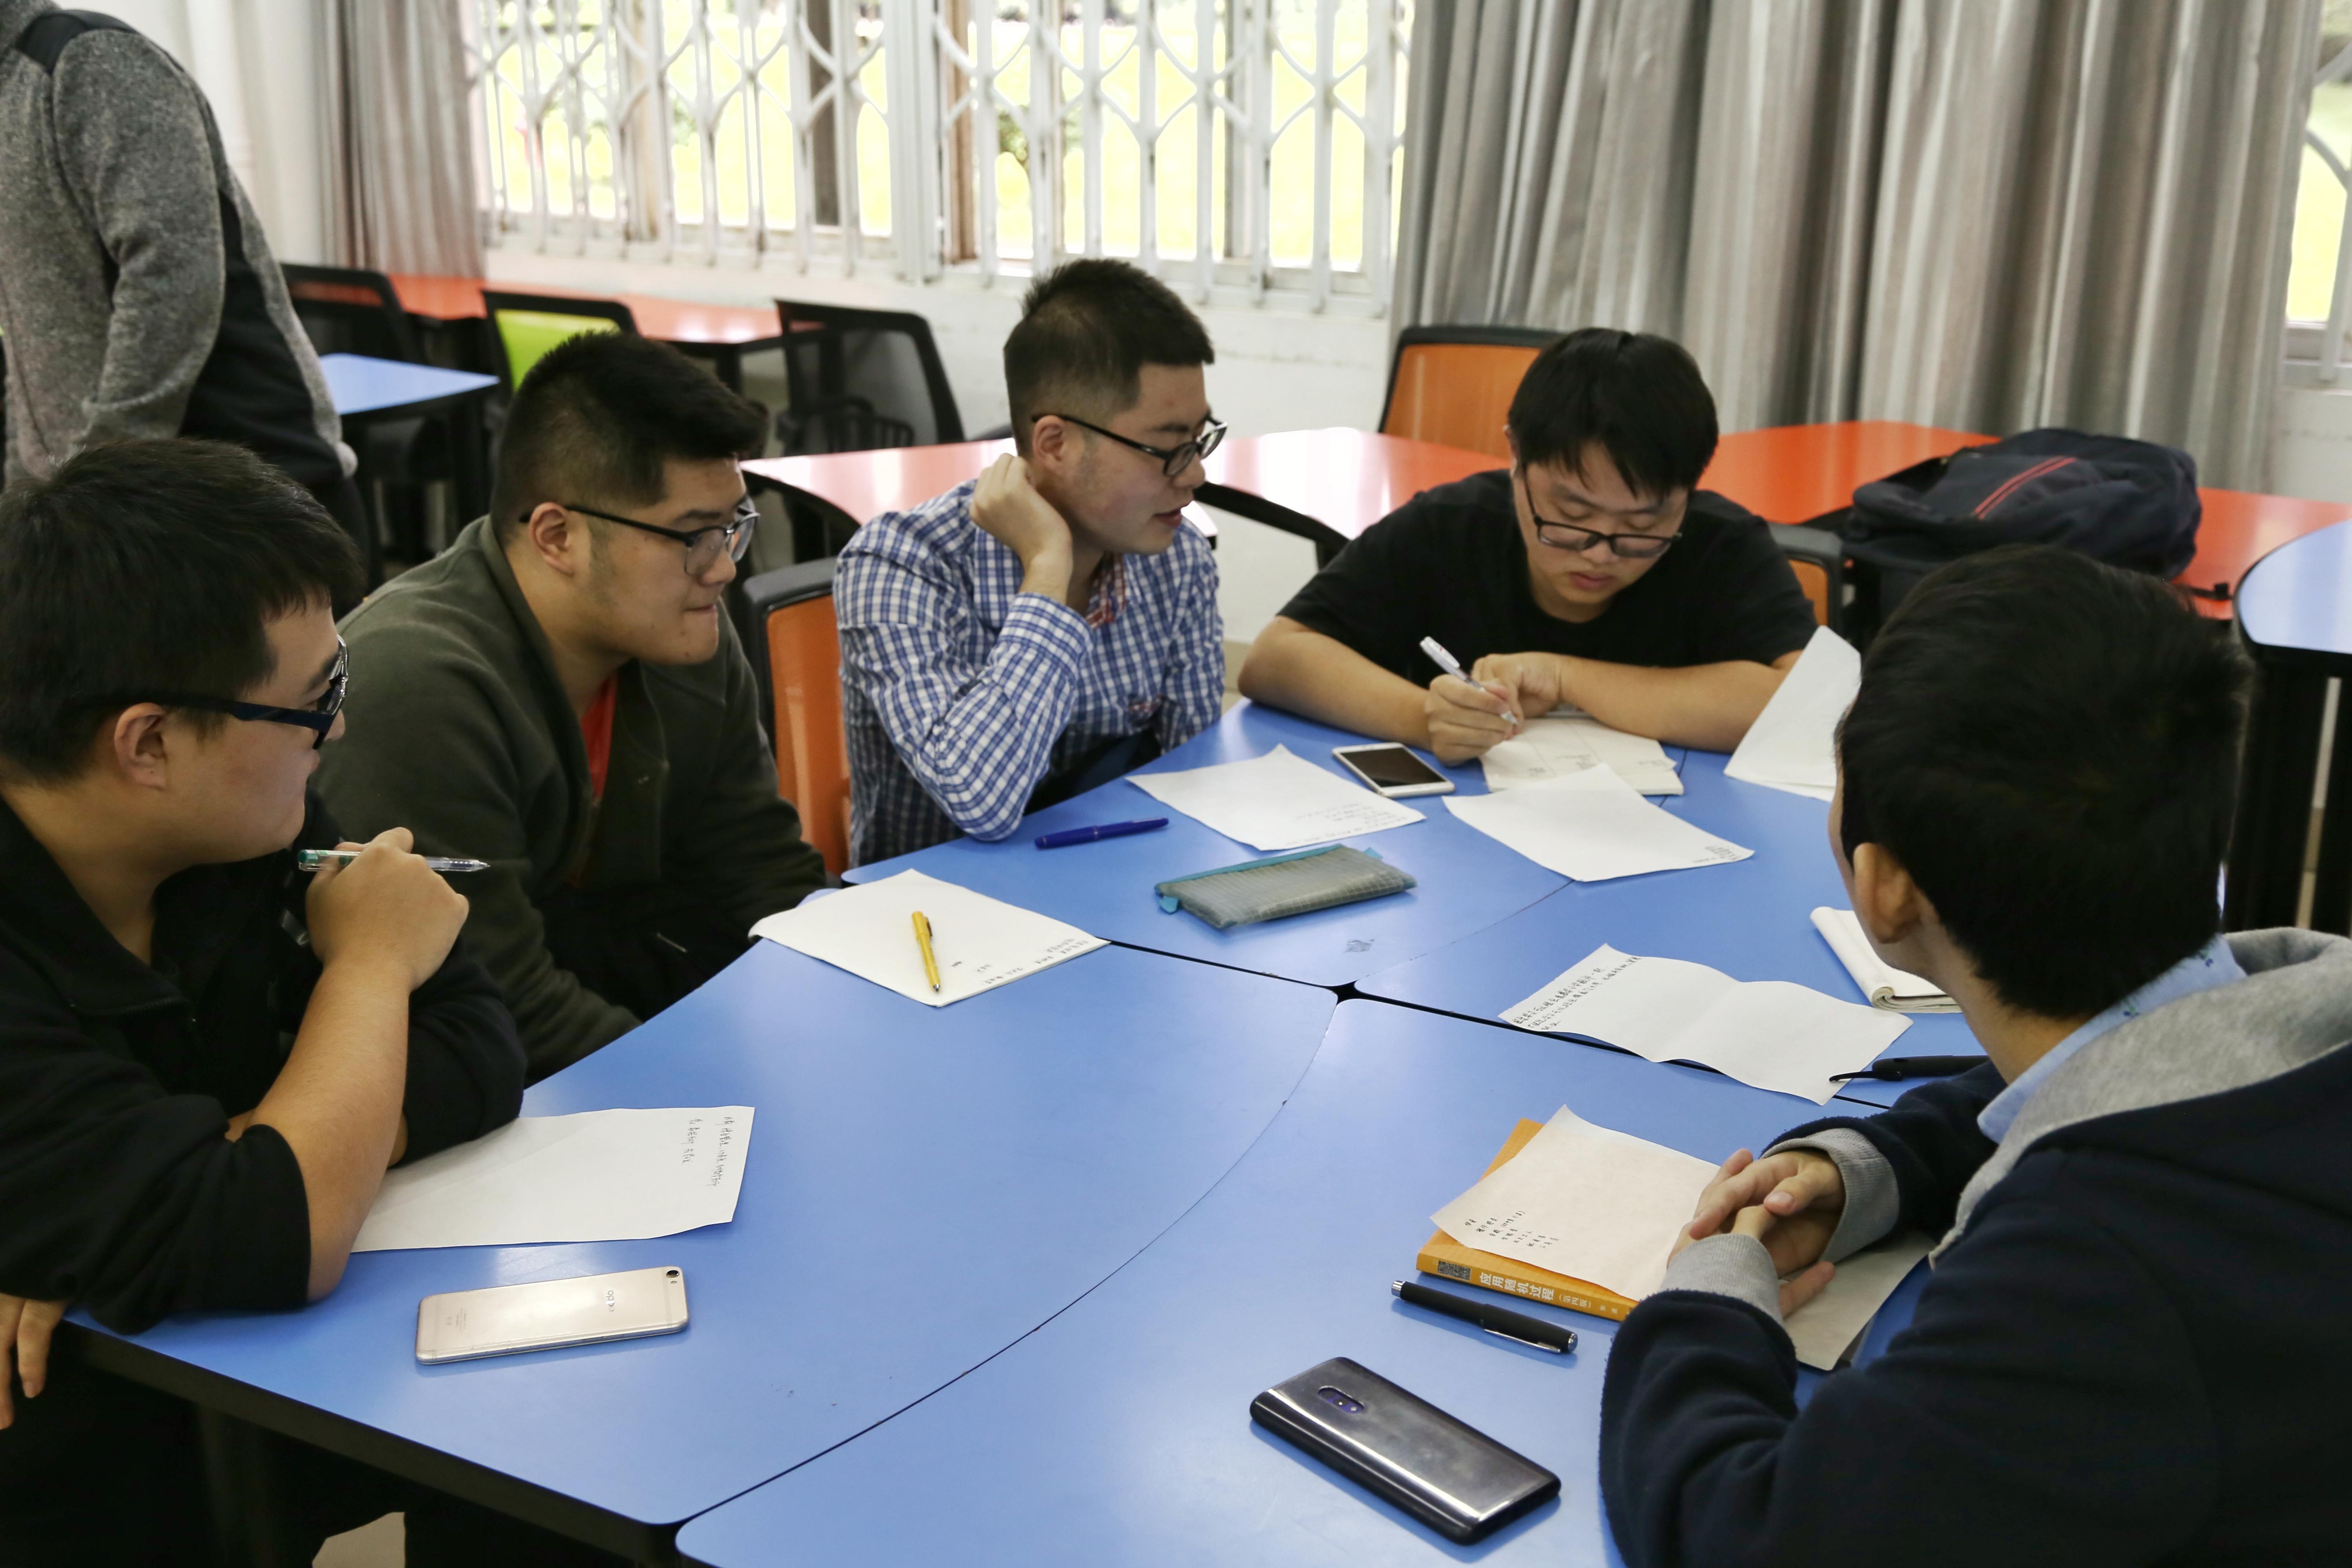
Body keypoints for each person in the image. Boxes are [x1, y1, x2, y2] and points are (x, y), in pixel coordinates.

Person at [1599, 545, 2352, 1564]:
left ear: (1885, 887)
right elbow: (2106, 1079)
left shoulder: (2089, 1275)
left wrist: (1704, 1300)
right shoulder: (2295, 1015)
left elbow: (1747, 1533)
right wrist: (1870, 1167)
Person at [0, 440, 595, 1564]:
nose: (337, 731)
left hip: (259, 1373)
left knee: (554, 1445)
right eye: (314, 701)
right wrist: (363, 975)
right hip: (85, 1465)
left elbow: (479, 1044)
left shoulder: (231, 831)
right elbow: (281, 1230)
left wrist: (256, 1160)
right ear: (149, 742)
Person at [316, 332, 826, 1082]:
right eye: (692, 535)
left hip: (609, 1001)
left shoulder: (682, 632)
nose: (722, 567)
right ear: (557, 536)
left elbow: (760, 868)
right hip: (455, 1073)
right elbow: (502, 999)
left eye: (733, 526)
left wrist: (843, 1010)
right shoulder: (417, 685)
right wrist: (707, 1091)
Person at [1238, 328, 1818, 759]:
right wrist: (1426, 717)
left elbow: (1808, 706)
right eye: (1572, 514)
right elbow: (1275, 659)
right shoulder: (1450, 526)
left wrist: (1564, 677)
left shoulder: (1722, 544)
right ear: (1515, 455)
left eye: (1643, 524)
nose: (1601, 552)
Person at [835, 258, 1226, 865]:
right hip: (940, 908)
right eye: (1168, 448)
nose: (1195, 474)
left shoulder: (1177, 559)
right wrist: (1047, 569)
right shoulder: (901, 566)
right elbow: (980, 802)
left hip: (1115, 880)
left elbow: (1194, 778)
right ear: (1054, 444)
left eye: (1199, 439)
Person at [0, 2, 356, 524]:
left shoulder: (90, 59)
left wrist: (96, 473)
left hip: (237, 489)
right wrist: (24, 488)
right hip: (107, 501)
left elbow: (173, 275)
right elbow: (24, 336)